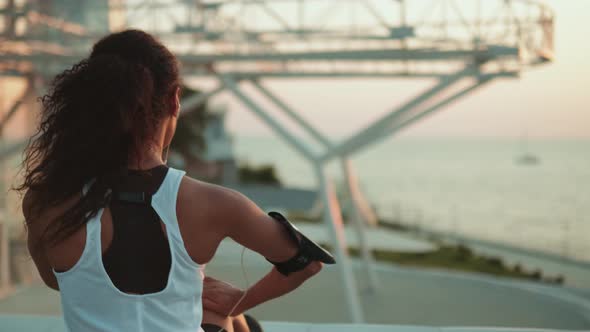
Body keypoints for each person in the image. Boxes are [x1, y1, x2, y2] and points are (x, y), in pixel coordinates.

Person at [17, 29, 323, 332]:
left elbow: (59, 280)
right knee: (229, 318)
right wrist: (239, 300)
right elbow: (306, 261)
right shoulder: (212, 203)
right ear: (175, 101)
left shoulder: (45, 201)